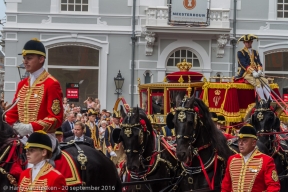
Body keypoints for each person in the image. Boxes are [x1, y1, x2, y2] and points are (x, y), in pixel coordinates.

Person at [5, 38, 63, 152]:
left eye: (29, 58)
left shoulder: (52, 84)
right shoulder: (22, 84)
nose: (25, 61)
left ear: (41, 59)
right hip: (21, 138)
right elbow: (12, 113)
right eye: (24, 58)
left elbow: (56, 119)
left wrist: (30, 127)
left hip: (43, 139)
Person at [221, 125, 280, 192]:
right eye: (239, 140)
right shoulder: (232, 159)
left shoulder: (266, 160)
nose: (240, 143)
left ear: (254, 143)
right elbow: (225, 187)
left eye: (244, 141)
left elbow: (273, 186)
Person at [237, 34, 271, 101]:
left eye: (249, 42)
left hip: (256, 72)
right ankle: (262, 99)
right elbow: (243, 64)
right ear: (244, 43)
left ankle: (270, 99)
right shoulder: (240, 52)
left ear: (251, 42)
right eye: (246, 42)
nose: (247, 43)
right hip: (246, 73)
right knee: (257, 82)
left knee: (265, 81)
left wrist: (259, 70)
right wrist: (253, 71)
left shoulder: (255, 52)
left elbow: (259, 63)